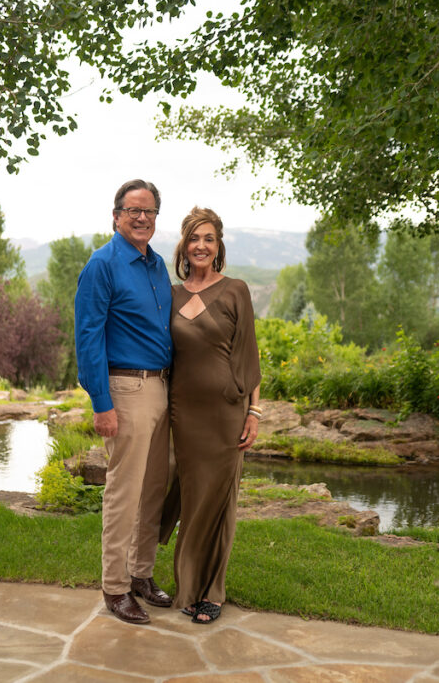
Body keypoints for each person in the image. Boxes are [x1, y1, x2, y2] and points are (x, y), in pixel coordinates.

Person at [74, 179, 174, 625]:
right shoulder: (103, 264)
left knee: (153, 489)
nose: (141, 218)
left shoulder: (155, 266)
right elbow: (88, 336)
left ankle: (141, 575)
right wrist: (101, 402)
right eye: (133, 210)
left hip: (162, 388)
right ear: (115, 215)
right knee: (124, 492)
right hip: (125, 390)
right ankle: (114, 587)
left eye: (149, 211)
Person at [167, 206, 261, 624]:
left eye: (209, 238)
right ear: (184, 246)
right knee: (192, 498)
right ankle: (188, 587)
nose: (201, 245)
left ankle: (213, 592)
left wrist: (254, 411)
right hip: (183, 414)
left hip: (226, 412)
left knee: (219, 501)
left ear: (218, 245)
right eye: (194, 238)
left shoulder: (236, 289)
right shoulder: (170, 294)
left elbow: (250, 355)